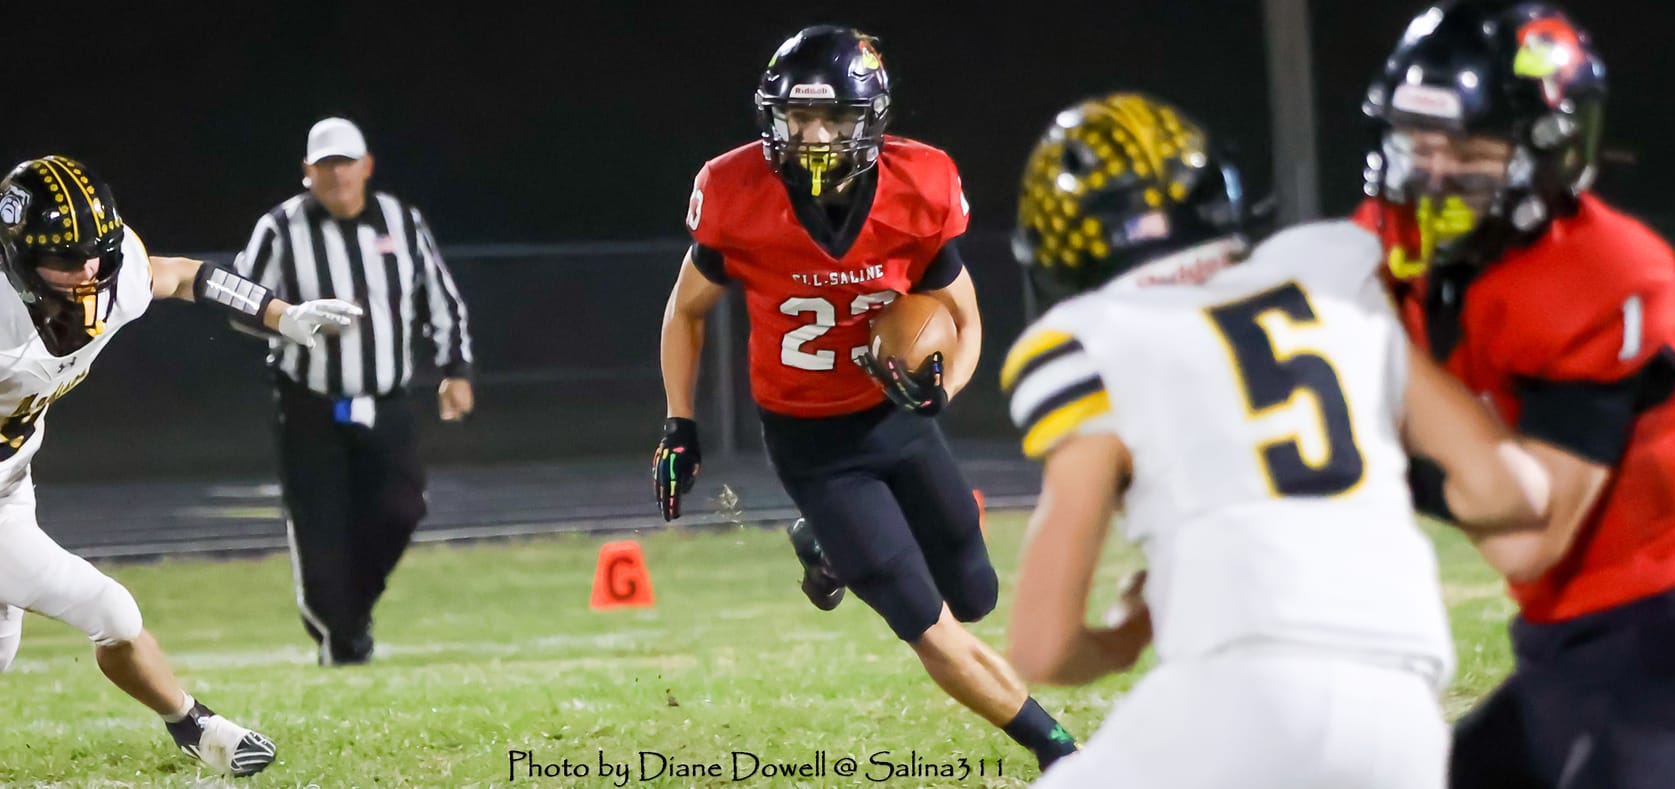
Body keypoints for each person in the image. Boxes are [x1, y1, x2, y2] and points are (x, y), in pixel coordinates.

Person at [1000, 93, 1552, 788]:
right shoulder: (1328, 279)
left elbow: (1042, 647)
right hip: (1404, 714)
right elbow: (1510, 490)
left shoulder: (1099, 337)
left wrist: (1127, 634)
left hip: (1242, 696)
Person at [0, 155, 362, 786]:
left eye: (96, 252)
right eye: (66, 258)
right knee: (112, 612)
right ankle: (195, 726)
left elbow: (185, 276)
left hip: (10, 480)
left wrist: (279, 313)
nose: (89, 270)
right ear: (18, 255)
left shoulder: (111, 272)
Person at [652, 26, 1079, 772]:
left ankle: (826, 544)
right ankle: (1058, 749)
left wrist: (941, 389)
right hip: (813, 443)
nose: (813, 136)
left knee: (974, 594)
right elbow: (686, 310)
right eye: (797, 117)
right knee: (926, 619)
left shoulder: (920, 185)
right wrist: (679, 421)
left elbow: (967, 321)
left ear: (870, 119)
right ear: (773, 116)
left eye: (833, 118)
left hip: (897, 423)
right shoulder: (734, 189)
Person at [1357, 1, 1675, 785]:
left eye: (1468, 151)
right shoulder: (1388, 241)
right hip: (1555, 667)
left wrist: (1378, 425)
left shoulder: (1606, 272)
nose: (1433, 176)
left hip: (1661, 677)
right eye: (1418, 144)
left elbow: (1527, 539)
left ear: (1551, 149)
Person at [233, 117, 476, 666]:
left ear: (366, 166)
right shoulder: (280, 228)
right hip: (308, 402)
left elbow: (442, 299)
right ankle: (343, 639)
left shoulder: (402, 221)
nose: (337, 175)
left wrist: (456, 369)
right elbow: (240, 302)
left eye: (345, 163)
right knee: (319, 528)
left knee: (401, 509)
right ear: (307, 171)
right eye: (325, 165)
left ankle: (347, 623)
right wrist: (288, 319)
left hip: (386, 401)